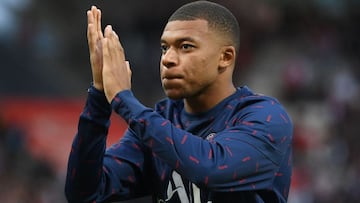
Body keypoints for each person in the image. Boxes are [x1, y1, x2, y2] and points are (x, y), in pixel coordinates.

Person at [65, 1, 293, 202]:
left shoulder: (264, 116)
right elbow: (85, 193)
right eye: (165, 48)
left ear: (225, 57)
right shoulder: (161, 119)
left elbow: (211, 168)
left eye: (185, 47)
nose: (168, 59)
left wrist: (124, 99)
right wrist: (100, 97)